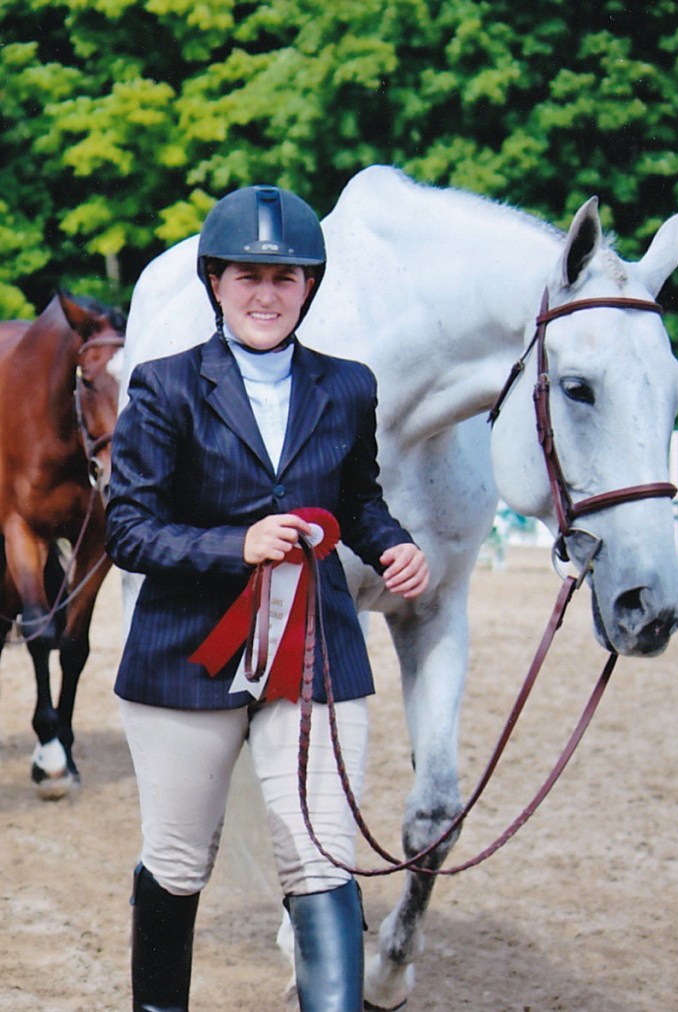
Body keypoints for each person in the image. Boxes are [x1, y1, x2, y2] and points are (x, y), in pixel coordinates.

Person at [106, 184, 429, 1012]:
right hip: (186, 650)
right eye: (246, 275)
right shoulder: (164, 387)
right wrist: (233, 545)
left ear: (309, 288)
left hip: (315, 649)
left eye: (284, 278)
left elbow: (357, 499)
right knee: (177, 860)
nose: (265, 293)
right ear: (215, 283)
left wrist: (390, 544)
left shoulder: (349, 386)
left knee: (322, 857)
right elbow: (130, 532)